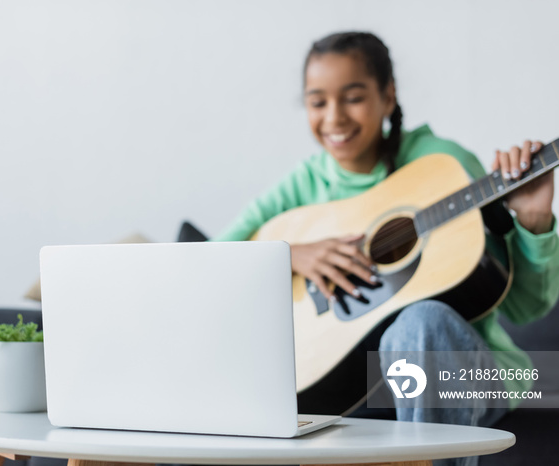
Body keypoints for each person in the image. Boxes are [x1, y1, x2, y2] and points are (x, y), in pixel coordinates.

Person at [212, 31, 559, 466]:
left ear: (388, 96)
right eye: (318, 102)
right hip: (352, 385)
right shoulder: (303, 184)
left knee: (421, 323)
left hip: (472, 377)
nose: (334, 117)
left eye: (353, 97)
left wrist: (532, 221)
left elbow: (526, 308)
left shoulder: (443, 165)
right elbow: (212, 261)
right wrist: (291, 254)